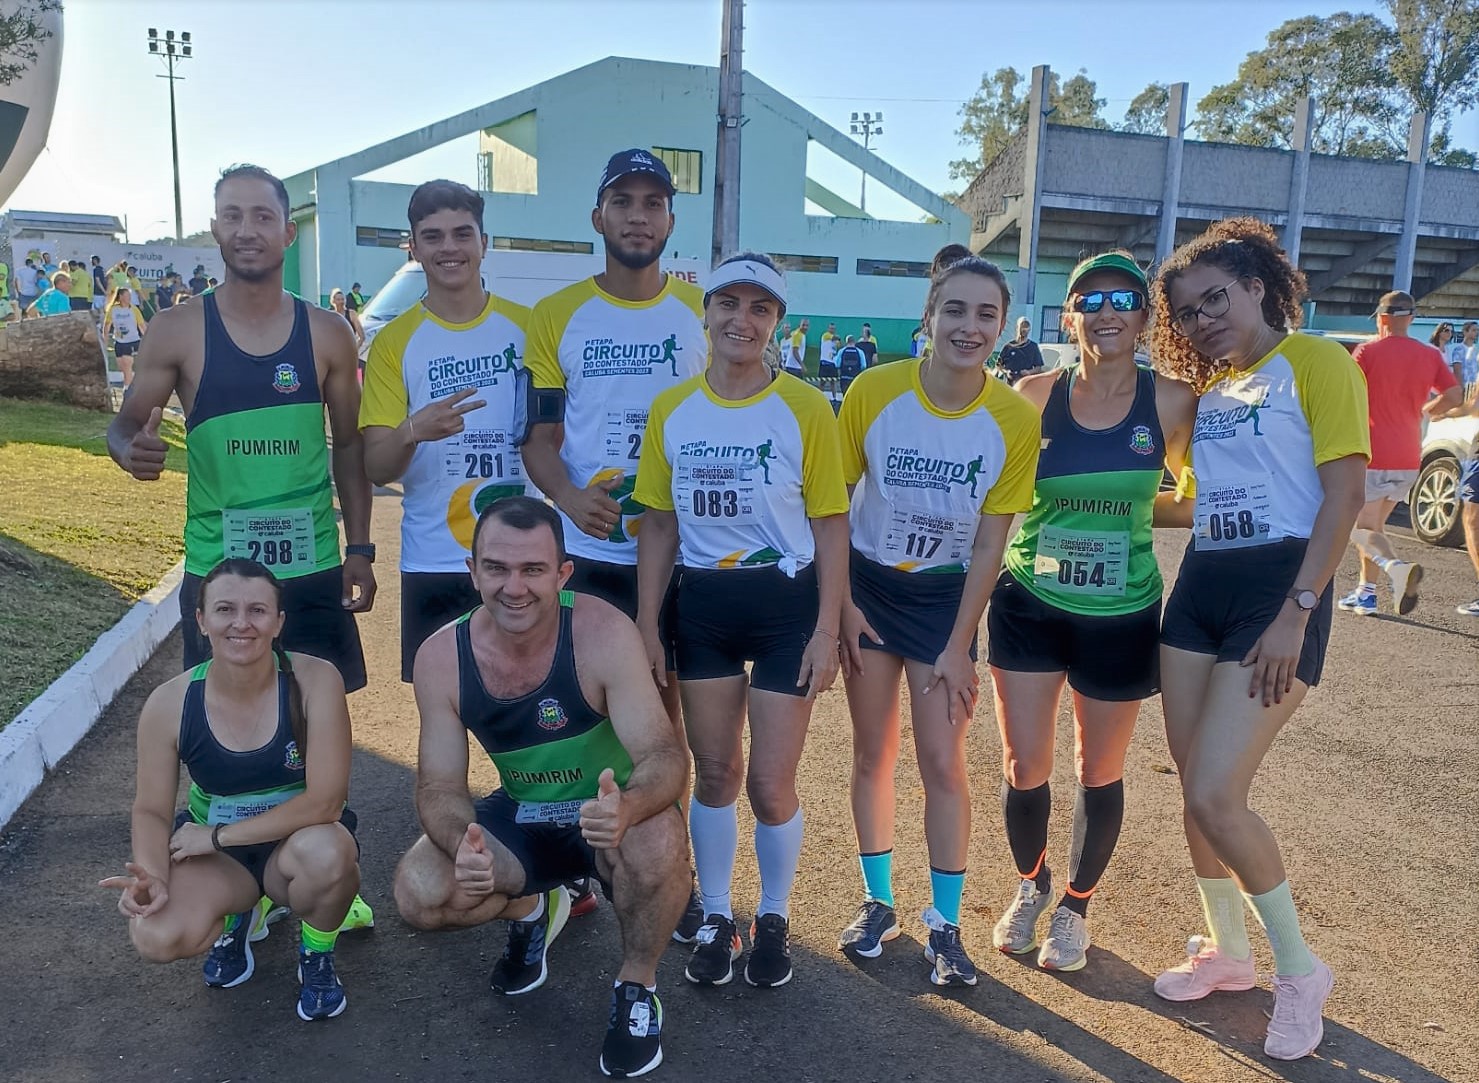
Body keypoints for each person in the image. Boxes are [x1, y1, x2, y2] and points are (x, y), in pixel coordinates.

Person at [1148, 217, 1368, 1061]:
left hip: (1276, 593)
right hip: (1199, 588)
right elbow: (1193, 505)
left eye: (1216, 298)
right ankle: (1227, 953)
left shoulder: (1316, 362)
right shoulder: (1214, 393)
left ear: (1256, 285)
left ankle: (1299, 969)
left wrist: (1297, 608)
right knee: (1190, 788)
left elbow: (1342, 495)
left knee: (1214, 792)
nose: (1205, 319)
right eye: (1188, 312)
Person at [392, 497, 689, 1078]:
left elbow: (663, 756)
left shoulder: (603, 632)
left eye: (532, 570)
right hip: (524, 814)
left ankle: (637, 988)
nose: (514, 587)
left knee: (658, 845)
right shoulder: (440, 657)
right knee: (420, 892)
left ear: (562, 573)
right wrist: (462, 847)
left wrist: (628, 807)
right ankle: (533, 909)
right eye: (497, 568)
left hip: (609, 817)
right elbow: (439, 788)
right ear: (472, 571)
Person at [634, 253, 849, 989]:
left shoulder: (805, 408)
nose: (741, 319)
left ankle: (776, 913)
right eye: (728, 303)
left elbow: (829, 523)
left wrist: (826, 628)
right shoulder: (672, 409)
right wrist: (643, 625)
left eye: (759, 309)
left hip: (785, 605)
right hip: (704, 605)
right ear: (706, 312)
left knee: (769, 781)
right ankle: (719, 914)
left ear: (776, 324)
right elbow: (658, 525)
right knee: (717, 770)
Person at [986, 251, 1196, 974]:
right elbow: (998, 495)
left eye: (1122, 299)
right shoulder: (1030, 391)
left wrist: (1130, 513)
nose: (1106, 311)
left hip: (1122, 611)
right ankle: (1029, 885)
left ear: (1142, 316)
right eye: (1089, 299)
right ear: (1068, 313)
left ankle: (1073, 907)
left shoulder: (1170, 399)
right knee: (1023, 764)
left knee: (1097, 768)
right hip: (1029, 602)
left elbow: (1199, 496)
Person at [836, 251, 1040, 985]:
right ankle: (877, 900)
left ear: (1001, 326)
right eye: (954, 309)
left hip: (942, 602)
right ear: (928, 318)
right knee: (872, 752)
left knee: (941, 759)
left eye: (985, 313)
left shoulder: (1012, 416)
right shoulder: (873, 390)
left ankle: (944, 924)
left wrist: (960, 644)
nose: (968, 326)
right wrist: (840, 602)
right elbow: (834, 500)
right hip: (868, 588)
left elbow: (992, 538)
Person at [521, 148, 709, 937]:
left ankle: (678, 874)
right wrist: (568, 495)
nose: (638, 214)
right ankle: (573, 868)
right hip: (590, 554)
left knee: (666, 723)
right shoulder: (556, 314)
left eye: (653, 201)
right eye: (622, 200)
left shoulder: (701, 312)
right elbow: (537, 438)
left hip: (684, 554)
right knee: (576, 716)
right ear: (597, 216)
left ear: (670, 219)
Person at [107, 164, 376, 693]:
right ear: (215, 229)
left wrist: (360, 551)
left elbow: (348, 445)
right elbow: (124, 427)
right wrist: (129, 451)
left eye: (262, 216)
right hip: (219, 575)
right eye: (233, 216)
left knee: (318, 723)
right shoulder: (176, 330)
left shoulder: (327, 333)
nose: (247, 230)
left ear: (288, 231)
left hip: (311, 566)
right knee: (224, 729)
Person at [99, 559, 362, 1021]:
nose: (242, 623)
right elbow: (151, 811)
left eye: (258, 611)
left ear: (279, 623)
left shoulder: (315, 680)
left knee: (331, 852)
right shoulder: (169, 702)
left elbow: (326, 801)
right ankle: (237, 916)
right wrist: (153, 877)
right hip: (223, 860)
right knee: (155, 934)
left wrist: (218, 836)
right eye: (225, 609)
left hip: (291, 845)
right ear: (201, 620)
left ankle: (317, 953)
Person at [361, 179, 530, 684]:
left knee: (531, 709)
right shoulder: (393, 343)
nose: (449, 248)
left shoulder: (531, 328)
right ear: (412, 247)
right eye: (432, 236)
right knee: (441, 716)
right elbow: (376, 465)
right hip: (434, 557)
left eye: (462, 233)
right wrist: (413, 429)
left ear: (485, 242)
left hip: (520, 559)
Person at [1337, 291, 1461, 616]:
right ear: (1412, 319)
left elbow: (1342, 393)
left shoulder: (1368, 351)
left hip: (1371, 451)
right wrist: (1428, 409)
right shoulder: (1430, 355)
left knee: (1358, 528)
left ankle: (1396, 568)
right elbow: (1454, 394)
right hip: (1408, 456)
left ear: (1381, 319)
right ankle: (1366, 593)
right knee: (1374, 526)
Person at [104, 286, 148, 388]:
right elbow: (106, 326)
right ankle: (133, 384)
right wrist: (105, 341)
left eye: (130, 296)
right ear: (121, 297)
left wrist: (147, 339)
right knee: (122, 367)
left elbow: (141, 325)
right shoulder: (113, 309)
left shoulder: (134, 309)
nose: (129, 298)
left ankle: (127, 389)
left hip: (132, 341)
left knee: (127, 364)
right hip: (119, 342)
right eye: (127, 295)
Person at [998, 317, 1046, 383]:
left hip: (1025, 384)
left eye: (1026, 326)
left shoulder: (1033, 347)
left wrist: (1028, 372)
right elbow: (999, 365)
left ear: (1029, 329)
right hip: (1009, 384)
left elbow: (1038, 368)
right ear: (1017, 327)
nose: (1024, 329)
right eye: (1022, 326)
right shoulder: (1008, 346)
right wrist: (1006, 372)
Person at [1452, 321, 1478, 390]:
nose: (1476, 333)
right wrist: (1461, 388)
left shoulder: (1475, 350)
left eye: (1477, 330)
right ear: (1465, 332)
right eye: (1473, 330)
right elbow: (1457, 371)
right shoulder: (1459, 349)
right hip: (1465, 388)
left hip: (1475, 388)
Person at [817, 321, 839, 400]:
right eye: (830, 328)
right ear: (828, 328)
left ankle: (834, 397)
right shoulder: (825, 335)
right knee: (822, 382)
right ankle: (819, 397)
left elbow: (839, 345)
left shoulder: (835, 339)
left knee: (833, 382)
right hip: (824, 361)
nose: (832, 330)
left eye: (833, 328)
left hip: (832, 362)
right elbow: (834, 338)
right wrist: (838, 338)